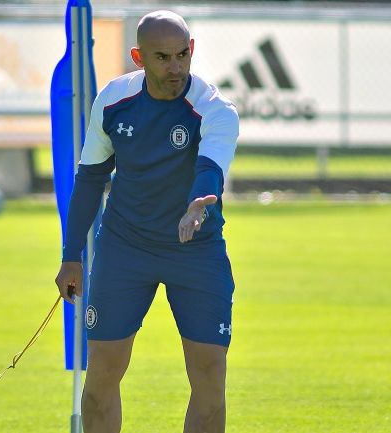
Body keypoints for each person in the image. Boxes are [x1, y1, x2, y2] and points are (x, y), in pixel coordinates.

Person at [54, 10, 238, 433]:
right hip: (125, 248)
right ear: (139, 57)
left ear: (191, 51)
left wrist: (198, 203)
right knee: (101, 377)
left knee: (210, 377)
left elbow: (210, 169)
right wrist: (71, 256)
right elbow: (90, 178)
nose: (175, 68)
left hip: (196, 251)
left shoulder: (215, 109)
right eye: (162, 58)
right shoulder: (114, 101)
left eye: (182, 55)